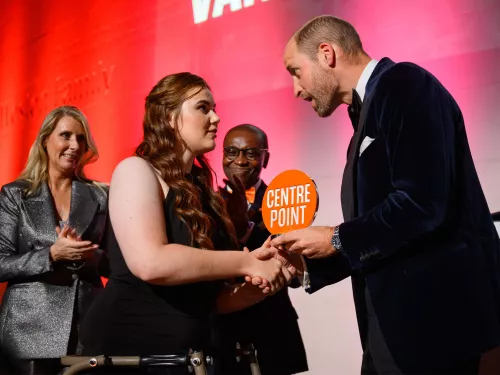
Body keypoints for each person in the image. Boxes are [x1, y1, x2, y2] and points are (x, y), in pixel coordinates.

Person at [265, 15, 500, 375]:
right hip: (392, 332)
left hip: (434, 329)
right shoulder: (367, 111)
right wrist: (306, 263)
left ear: (327, 54)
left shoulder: (404, 83)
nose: (296, 88)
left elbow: (421, 204)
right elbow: (383, 235)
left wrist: (337, 237)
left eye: (296, 71)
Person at [80, 73, 294, 375]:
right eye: (203, 108)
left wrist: (265, 282)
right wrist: (245, 262)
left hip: (193, 356)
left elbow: (211, 300)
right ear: (169, 117)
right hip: (132, 354)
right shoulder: (135, 171)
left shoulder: (203, 191)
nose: (217, 117)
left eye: (214, 108)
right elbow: (150, 262)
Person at [0, 105, 108, 375]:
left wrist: (88, 255)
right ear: (45, 141)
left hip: (87, 331)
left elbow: (116, 265)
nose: (74, 145)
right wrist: (51, 255)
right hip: (27, 334)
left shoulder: (101, 196)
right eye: (66, 136)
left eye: (81, 139)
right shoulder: (15, 195)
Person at [217, 124, 308, 375]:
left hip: (272, 330)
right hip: (223, 332)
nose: (240, 160)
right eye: (232, 151)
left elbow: (295, 279)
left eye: (251, 153)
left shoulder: (285, 204)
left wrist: (249, 229)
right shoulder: (205, 205)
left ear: (265, 158)